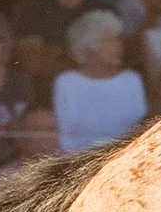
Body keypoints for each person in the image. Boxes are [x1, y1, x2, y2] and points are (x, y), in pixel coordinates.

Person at [53, 12, 148, 153]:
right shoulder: (67, 83)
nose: (118, 46)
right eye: (110, 41)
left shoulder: (132, 80)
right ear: (88, 46)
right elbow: (64, 137)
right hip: (80, 162)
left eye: (118, 40)